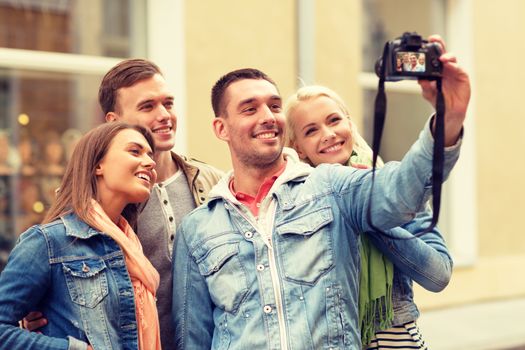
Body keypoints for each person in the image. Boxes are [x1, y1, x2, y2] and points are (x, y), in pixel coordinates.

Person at [172, 35, 470, 349]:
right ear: (221, 128)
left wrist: (449, 118)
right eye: (249, 109)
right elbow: (192, 338)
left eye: (274, 106)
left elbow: (401, 190)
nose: (268, 116)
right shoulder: (197, 229)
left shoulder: (332, 187)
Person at [23, 59, 225, 349]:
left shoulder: (214, 183)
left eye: (168, 103)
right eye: (147, 107)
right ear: (113, 121)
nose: (164, 115)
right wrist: (39, 313)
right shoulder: (90, 200)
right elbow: (51, 271)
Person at [284, 84, 453, 349]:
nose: (328, 134)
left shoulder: (392, 188)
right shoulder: (292, 205)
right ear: (299, 148)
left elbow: (438, 274)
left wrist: (370, 215)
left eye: (334, 120)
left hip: (394, 337)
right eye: (311, 130)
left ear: (349, 124)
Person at [0, 122, 161, 350]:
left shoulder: (131, 247)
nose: (150, 162)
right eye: (135, 151)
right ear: (98, 165)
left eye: (150, 155)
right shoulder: (48, 242)